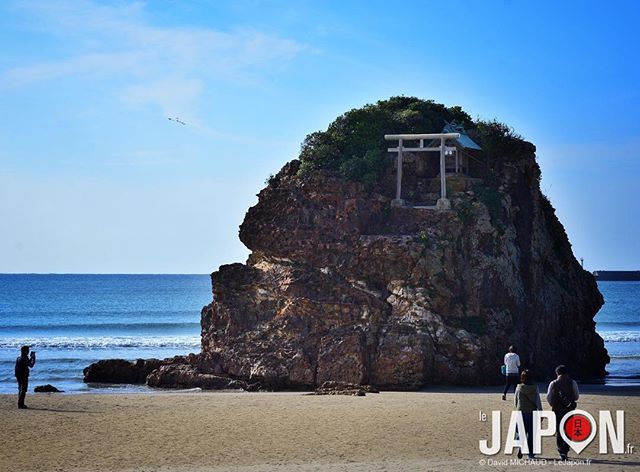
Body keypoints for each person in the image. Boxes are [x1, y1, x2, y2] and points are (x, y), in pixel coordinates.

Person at [547, 365, 579, 461]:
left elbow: (549, 397)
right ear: (566, 373)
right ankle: (565, 450)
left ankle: (560, 449)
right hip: (569, 409)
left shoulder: (553, 383)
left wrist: (553, 404)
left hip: (557, 409)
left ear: (557, 373)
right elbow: (576, 396)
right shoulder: (572, 382)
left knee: (559, 429)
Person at [514, 369, 542, 459]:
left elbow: (516, 400)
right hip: (532, 412)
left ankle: (520, 446)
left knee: (520, 431)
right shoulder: (535, 388)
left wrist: (517, 408)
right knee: (531, 433)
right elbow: (538, 400)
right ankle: (531, 454)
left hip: (520, 411)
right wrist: (540, 411)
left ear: (522, 378)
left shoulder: (518, 387)